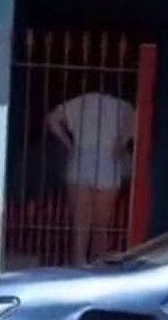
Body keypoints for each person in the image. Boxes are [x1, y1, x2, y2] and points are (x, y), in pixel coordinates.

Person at [48, 91, 135, 264]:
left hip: (81, 158)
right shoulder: (122, 106)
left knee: (81, 222)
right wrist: (121, 143)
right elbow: (135, 125)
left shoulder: (78, 102)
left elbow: (52, 119)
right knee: (101, 222)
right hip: (108, 160)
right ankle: (99, 263)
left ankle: (78, 263)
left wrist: (68, 143)